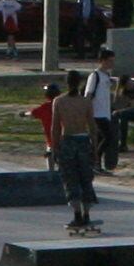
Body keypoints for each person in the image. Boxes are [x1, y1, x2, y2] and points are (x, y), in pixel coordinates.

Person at [51, 71, 99, 232]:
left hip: (68, 141)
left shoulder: (59, 101)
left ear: (67, 83)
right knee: (86, 178)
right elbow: (92, 126)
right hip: (84, 141)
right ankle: (87, 214)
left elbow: (56, 127)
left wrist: (54, 147)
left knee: (70, 179)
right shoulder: (86, 102)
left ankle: (77, 213)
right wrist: (95, 148)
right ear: (79, 83)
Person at [88, 46, 120, 172]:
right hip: (96, 113)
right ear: (103, 60)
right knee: (108, 137)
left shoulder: (107, 76)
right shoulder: (95, 76)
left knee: (102, 139)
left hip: (105, 113)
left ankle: (96, 164)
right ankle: (94, 160)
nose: (112, 63)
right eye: (110, 60)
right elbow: (89, 94)